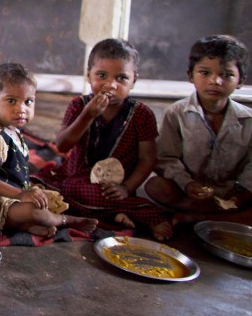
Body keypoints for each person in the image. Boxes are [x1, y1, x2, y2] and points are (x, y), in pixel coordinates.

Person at [37, 39, 172, 240]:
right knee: (35, 184)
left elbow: (148, 159)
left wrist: (127, 188)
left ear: (134, 80)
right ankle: (115, 214)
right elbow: (63, 145)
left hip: (113, 189)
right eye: (101, 75)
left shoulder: (142, 114)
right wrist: (87, 115)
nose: (110, 85)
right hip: (73, 179)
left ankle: (108, 210)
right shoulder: (79, 105)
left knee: (93, 196)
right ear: (88, 74)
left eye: (122, 78)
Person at [0, 63, 98, 237]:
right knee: (35, 211)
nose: (21, 109)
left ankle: (25, 225)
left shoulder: (12, 129)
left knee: (48, 197)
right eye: (12, 101)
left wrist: (28, 187)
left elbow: (12, 171)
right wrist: (22, 194)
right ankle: (67, 221)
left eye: (28, 101)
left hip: (12, 195)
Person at [146, 35, 252, 227]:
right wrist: (187, 183)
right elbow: (166, 158)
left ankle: (196, 218)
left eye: (227, 75)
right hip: (188, 191)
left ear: (241, 81)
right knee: (155, 186)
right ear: (191, 75)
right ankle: (219, 220)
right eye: (205, 73)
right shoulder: (176, 113)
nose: (215, 81)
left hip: (231, 194)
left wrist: (240, 196)